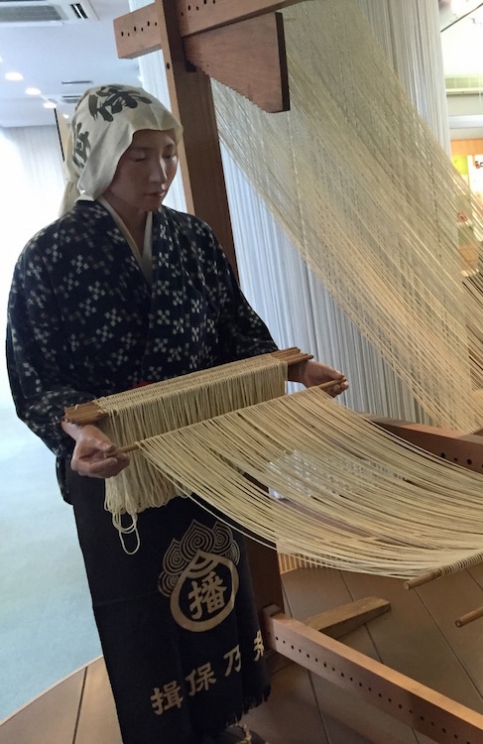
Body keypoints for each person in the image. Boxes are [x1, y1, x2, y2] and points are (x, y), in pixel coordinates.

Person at [6, 84, 349, 744]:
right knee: (143, 606)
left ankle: (219, 722)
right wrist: (77, 434)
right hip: (118, 469)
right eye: (141, 158)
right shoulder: (48, 259)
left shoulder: (192, 240)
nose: (162, 172)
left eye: (168, 154)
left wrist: (295, 369)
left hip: (203, 453)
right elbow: (39, 373)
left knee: (216, 587)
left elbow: (237, 332)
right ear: (100, 160)